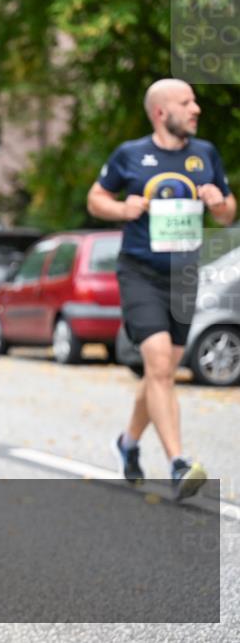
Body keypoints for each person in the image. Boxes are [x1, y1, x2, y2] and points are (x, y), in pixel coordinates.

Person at [87, 78, 235, 501]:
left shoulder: (205, 154)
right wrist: (121, 207)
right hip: (141, 273)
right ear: (160, 112)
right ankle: (178, 462)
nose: (196, 109)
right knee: (157, 364)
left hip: (184, 274)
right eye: (186, 102)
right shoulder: (130, 155)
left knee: (162, 372)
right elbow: (96, 198)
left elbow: (228, 213)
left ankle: (127, 442)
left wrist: (218, 202)